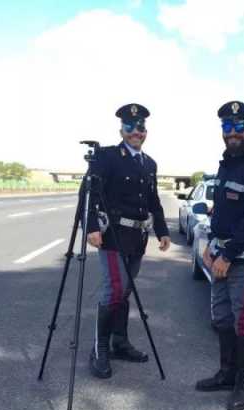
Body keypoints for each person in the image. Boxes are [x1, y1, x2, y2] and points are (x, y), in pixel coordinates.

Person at [195, 101, 244, 410]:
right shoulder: (226, 164)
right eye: (227, 126)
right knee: (221, 318)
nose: (232, 132)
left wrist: (226, 255)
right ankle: (227, 374)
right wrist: (210, 244)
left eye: (238, 125)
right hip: (221, 254)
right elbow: (224, 214)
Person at [85, 103, 171, 379]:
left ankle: (119, 343)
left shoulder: (149, 163)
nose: (137, 131)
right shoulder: (108, 157)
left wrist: (162, 229)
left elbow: (153, 200)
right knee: (114, 289)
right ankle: (99, 349)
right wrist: (91, 227)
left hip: (138, 237)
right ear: (121, 129)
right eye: (131, 126)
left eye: (141, 127)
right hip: (112, 236)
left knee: (125, 290)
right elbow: (92, 194)